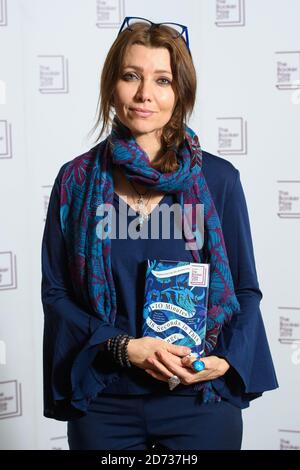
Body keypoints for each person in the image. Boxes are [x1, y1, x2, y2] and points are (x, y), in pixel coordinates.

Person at [41, 17, 278, 451]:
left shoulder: (219, 180)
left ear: (180, 92)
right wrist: (122, 347)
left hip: (197, 399)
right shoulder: (75, 181)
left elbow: (244, 290)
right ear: (112, 85)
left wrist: (222, 360)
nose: (144, 94)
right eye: (131, 75)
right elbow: (56, 294)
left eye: (162, 80)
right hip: (106, 401)